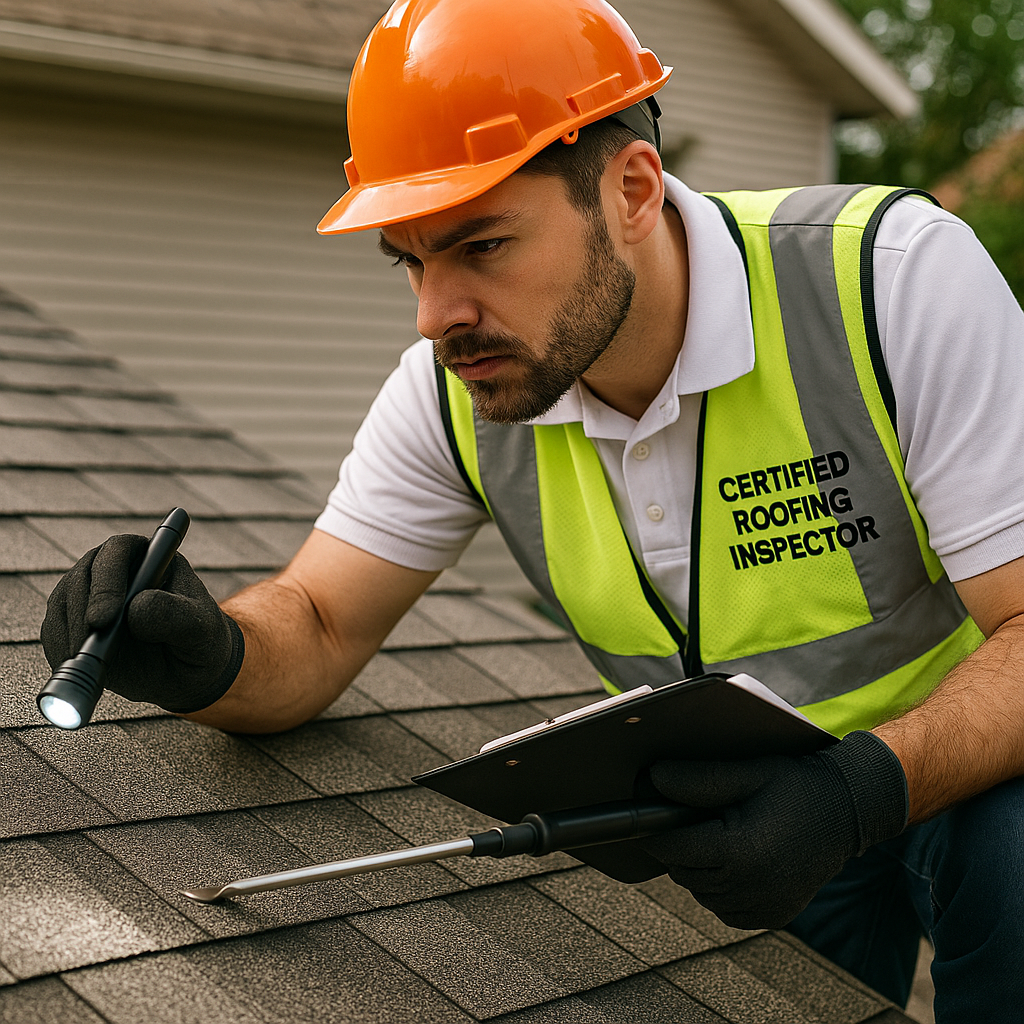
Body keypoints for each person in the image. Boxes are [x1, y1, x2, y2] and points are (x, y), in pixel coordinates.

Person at [41, 0, 1024, 1018]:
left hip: (963, 764)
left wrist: (859, 790)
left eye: (482, 246)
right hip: (746, 818)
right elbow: (321, 623)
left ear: (631, 191)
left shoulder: (887, 281)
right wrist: (211, 653)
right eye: (411, 259)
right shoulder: (457, 390)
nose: (435, 317)